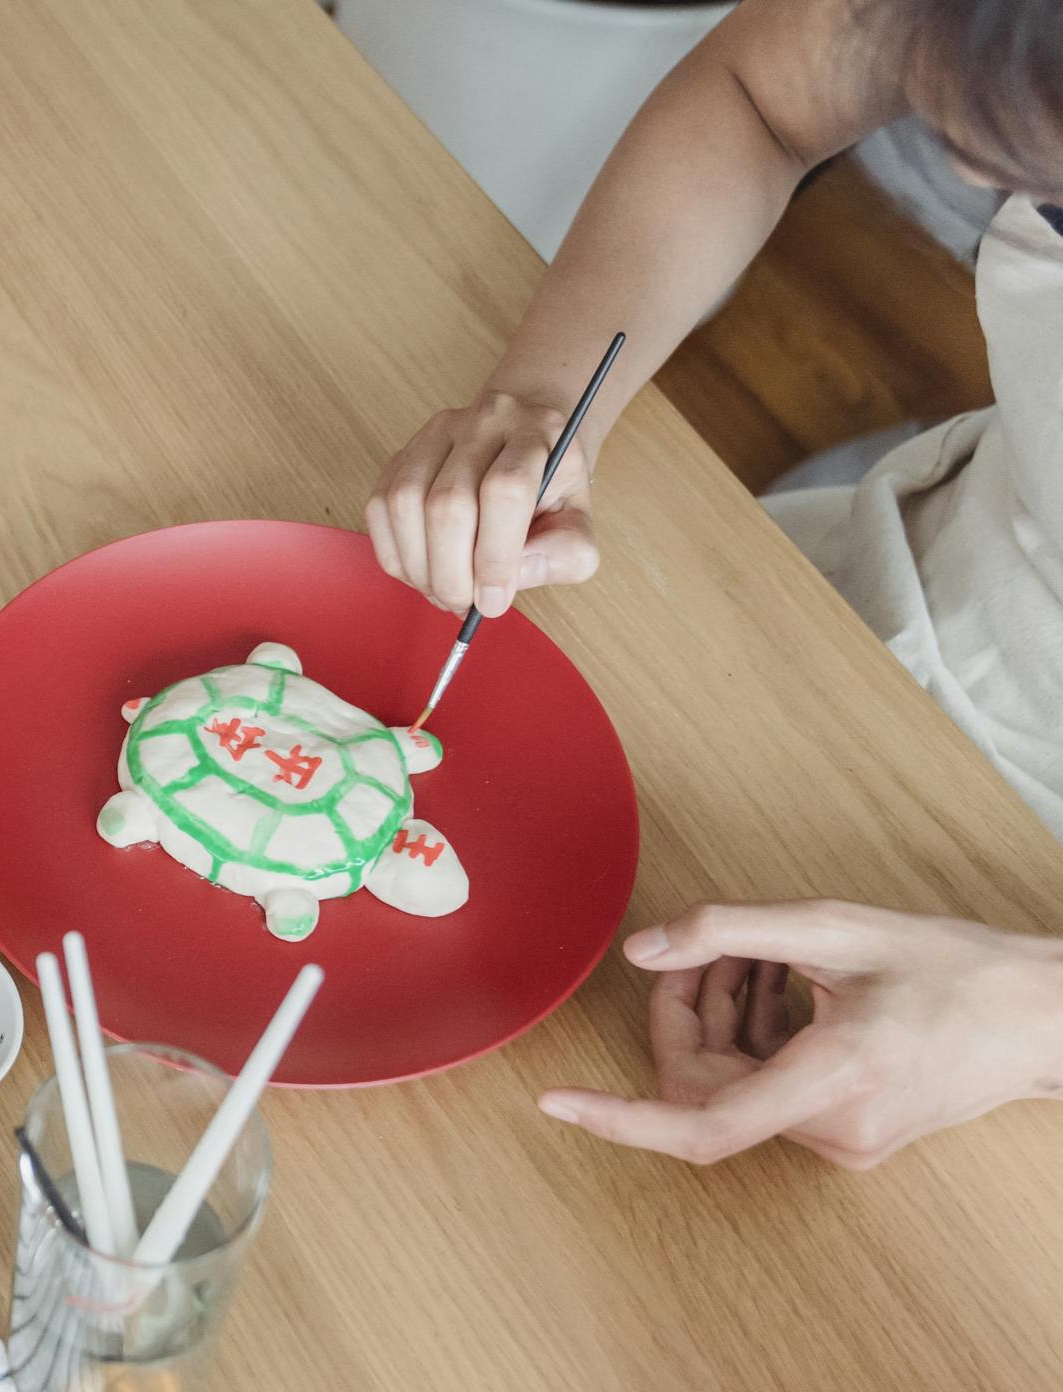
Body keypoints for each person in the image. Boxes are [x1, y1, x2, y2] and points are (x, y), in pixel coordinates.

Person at [363, 0, 1063, 1168]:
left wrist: (1027, 1015)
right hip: (852, 611)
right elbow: (760, 97)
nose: (952, 165)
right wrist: (546, 401)